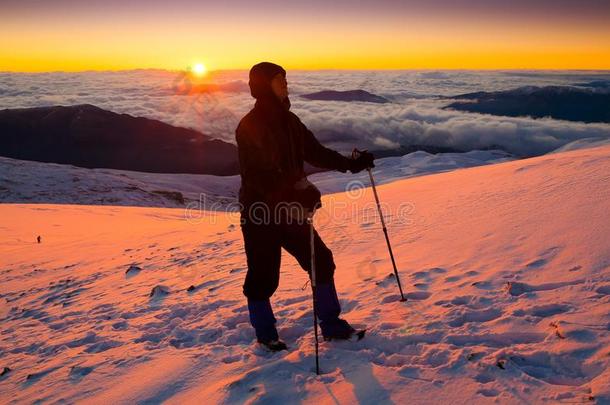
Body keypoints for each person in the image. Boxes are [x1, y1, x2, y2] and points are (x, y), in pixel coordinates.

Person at [235, 62, 375, 351]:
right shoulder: (250, 125)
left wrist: (351, 165)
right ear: (263, 85)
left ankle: (332, 326)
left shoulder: (291, 121)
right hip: (260, 213)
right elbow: (258, 175)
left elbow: (315, 152)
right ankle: (265, 334)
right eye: (279, 79)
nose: (286, 83)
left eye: (285, 78)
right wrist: (294, 193)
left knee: (321, 261)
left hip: (291, 212)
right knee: (263, 275)